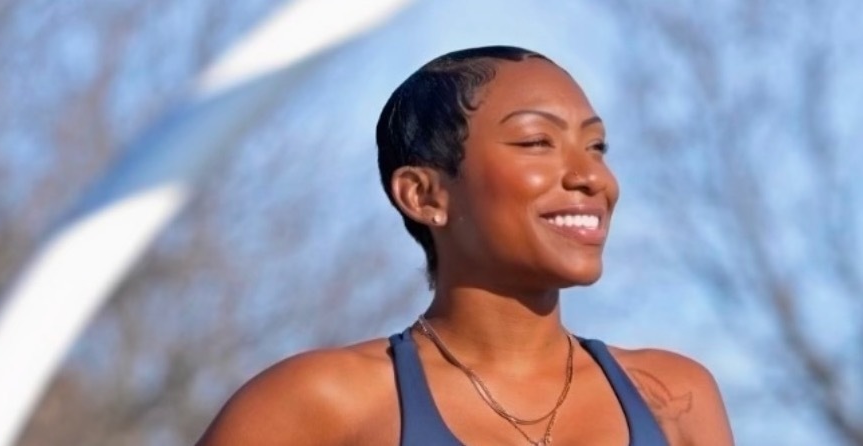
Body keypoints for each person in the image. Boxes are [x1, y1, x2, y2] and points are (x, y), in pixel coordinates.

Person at [196, 45, 734, 446]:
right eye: (537, 142)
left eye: (596, 146)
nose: (592, 177)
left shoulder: (672, 398)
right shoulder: (319, 402)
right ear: (423, 194)